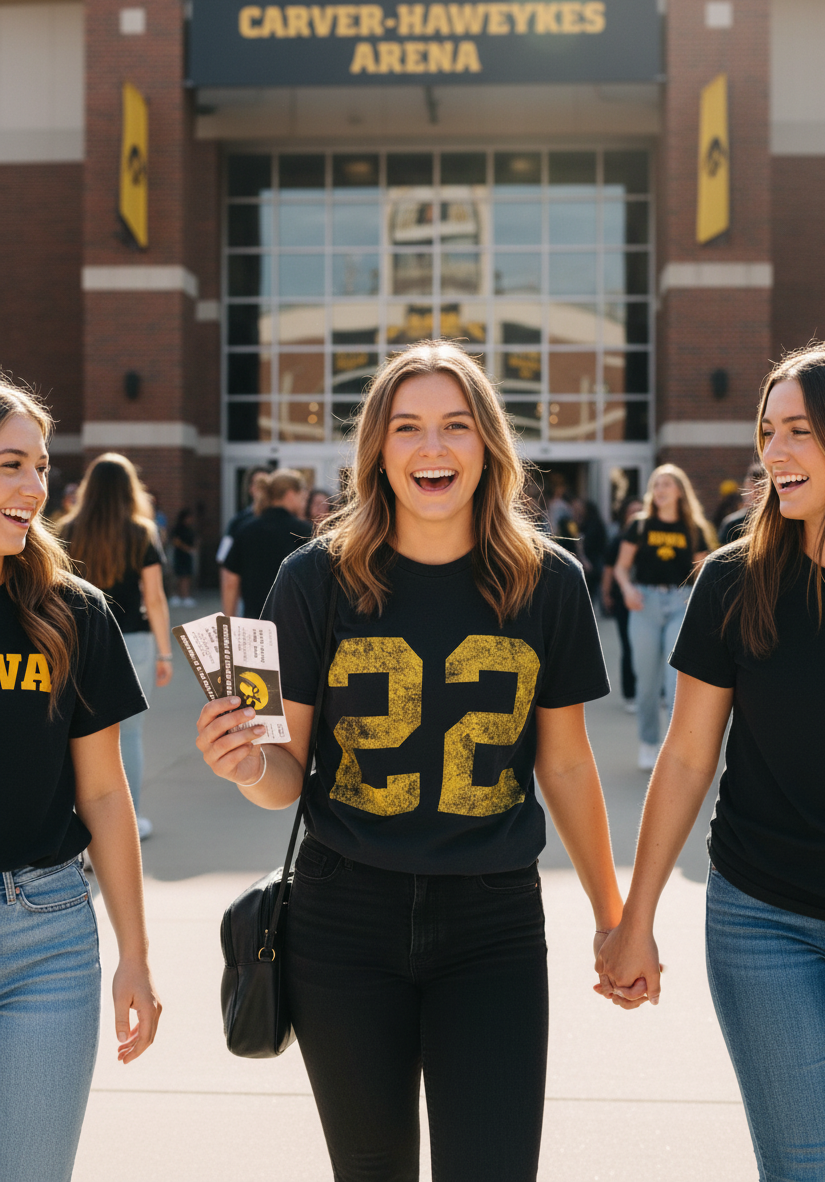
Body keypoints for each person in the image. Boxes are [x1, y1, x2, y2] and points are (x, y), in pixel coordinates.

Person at [196, 342, 622, 1182]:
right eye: (408, 428)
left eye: (456, 426)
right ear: (378, 453)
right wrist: (246, 767)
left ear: (489, 447)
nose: (433, 448)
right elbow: (286, 775)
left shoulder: (550, 581)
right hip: (342, 918)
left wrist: (616, 919)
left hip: (493, 920)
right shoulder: (313, 579)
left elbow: (567, 766)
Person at [595, 345, 825, 1180]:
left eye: (800, 430)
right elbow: (690, 758)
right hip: (764, 916)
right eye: (768, 431)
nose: (775, 452)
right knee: (805, 1165)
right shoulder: (734, 581)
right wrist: (636, 918)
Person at [0, 382, 161, 1182]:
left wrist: (135, 954)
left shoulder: (74, 612)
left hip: (48, 937)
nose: (33, 488)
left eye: (38, 465)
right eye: (9, 465)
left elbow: (103, 794)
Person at [61, 454, 174, 840]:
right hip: (135, 642)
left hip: (77, 642)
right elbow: (155, 598)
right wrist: (165, 652)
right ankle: (129, 822)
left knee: (74, 735)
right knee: (130, 736)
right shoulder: (141, 532)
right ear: (130, 489)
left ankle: (79, 826)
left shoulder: (66, 530)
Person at [614, 465, 712, 771]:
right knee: (646, 683)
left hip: (680, 603)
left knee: (674, 684)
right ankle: (648, 741)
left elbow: (703, 573)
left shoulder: (692, 527)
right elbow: (621, 567)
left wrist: (698, 601)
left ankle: (672, 750)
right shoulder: (640, 525)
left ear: (679, 490)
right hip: (646, 603)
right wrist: (628, 590)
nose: (660, 490)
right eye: (656, 485)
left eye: (666, 484)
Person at [221, 469, 312, 618]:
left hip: (253, 622)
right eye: (302, 498)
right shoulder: (303, 531)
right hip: (293, 624)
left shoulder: (245, 529)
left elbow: (230, 581)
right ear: (290, 494)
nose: (304, 504)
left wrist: (228, 621)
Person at [601, 496, 642, 714]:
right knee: (629, 646)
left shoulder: (650, 537)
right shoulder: (617, 541)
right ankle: (630, 693)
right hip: (623, 600)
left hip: (646, 599)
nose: (636, 515)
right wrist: (606, 593)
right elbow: (609, 569)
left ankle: (657, 692)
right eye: (632, 511)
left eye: (640, 511)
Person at [717, 461, 764, 545]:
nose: (752, 493)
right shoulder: (733, 525)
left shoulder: (778, 522)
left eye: (758, 488)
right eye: (749, 487)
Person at [170, 507, 197, 606]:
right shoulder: (178, 528)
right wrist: (186, 548)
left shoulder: (190, 529)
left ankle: (186, 596)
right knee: (179, 576)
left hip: (188, 556)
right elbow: (175, 541)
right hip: (180, 555)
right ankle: (177, 596)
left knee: (187, 576)